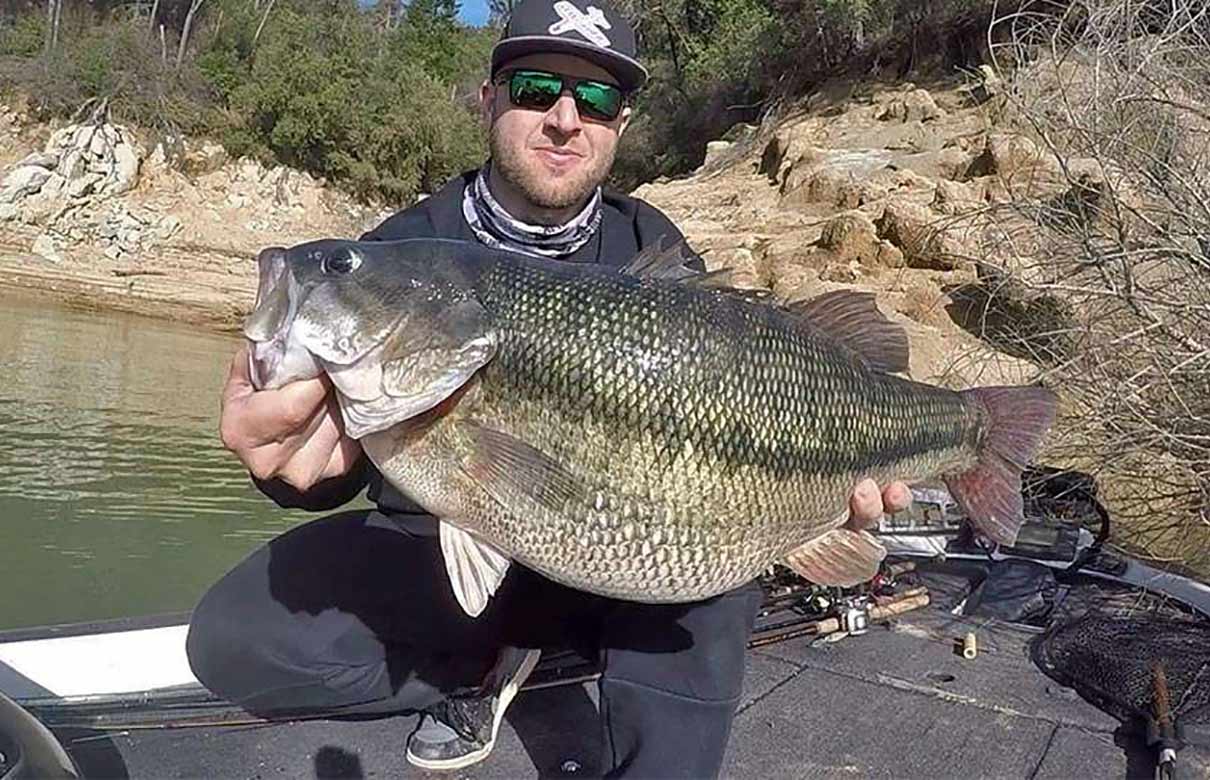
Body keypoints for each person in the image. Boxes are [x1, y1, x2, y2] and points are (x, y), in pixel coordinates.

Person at [186, 1, 913, 776]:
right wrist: (292, 473)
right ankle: (486, 666)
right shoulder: (397, 255)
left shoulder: (654, 248)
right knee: (235, 637)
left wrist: (827, 506)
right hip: (447, 553)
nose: (566, 118)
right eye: (537, 88)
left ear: (620, 125)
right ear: (489, 99)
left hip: (634, 551)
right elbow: (333, 452)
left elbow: (734, 416)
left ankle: (577, 673)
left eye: (595, 99)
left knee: (717, 590)